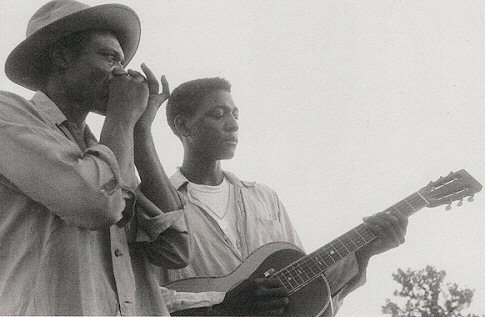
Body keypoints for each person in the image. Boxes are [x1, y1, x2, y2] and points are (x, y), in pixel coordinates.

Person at [156, 77, 408, 316]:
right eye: (218, 114)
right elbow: (144, 297)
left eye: (235, 114)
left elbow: (305, 291)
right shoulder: (158, 205)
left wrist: (364, 252)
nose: (233, 124)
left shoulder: (265, 199)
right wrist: (223, 306)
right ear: (183, 126)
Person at [0, 0, 189, 315]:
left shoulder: (107, 150)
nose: (121, 72)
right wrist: (121, 118)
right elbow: (99, 204)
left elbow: (176, 251)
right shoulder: (10, 116)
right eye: (110, 57)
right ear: (61, 56)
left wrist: (140, 132)